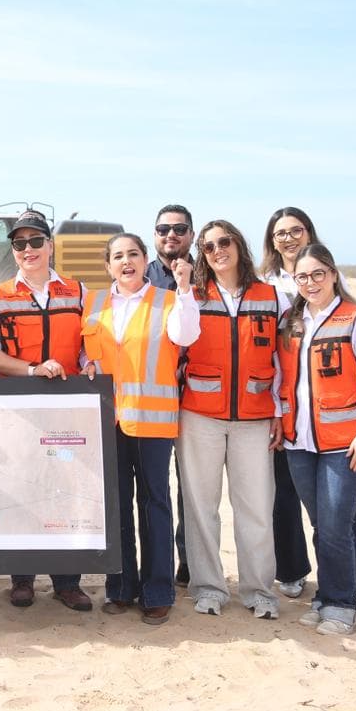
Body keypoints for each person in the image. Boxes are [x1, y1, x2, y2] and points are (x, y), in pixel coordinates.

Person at [260, 207, 356, 614]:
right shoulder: (268, 287)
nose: (288, 238)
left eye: (296, 230)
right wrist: (278, 413)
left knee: (337, 518)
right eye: (280, 233)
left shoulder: (349, 308)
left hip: (339, 430)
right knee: (300, 508)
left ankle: (355, 588)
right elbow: (281, 365)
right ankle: (299, 575)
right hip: (294, 426)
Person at [0, 209, 93, 613]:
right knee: (23, 489)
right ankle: (22, 578)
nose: (28, 249)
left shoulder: (78, 292)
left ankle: (67, 581)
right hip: (17, 414)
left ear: (50, 245)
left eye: (36, 241)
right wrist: (31, 370)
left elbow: (87, 347)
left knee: (64, 489)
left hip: (66, 415)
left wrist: (89, 363)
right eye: (19, 243)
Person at [81, 233, 199, 626]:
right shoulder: (93, 303)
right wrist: (86, 363)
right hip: (108, 421)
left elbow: (186, 336)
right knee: (116, 506)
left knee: (154, 506)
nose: (126, 261)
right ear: (108, 266)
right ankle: (120, 588)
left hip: (152, 421)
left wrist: (185, 289)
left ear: (145, 259)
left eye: (133, 254)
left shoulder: (168, 300)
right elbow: (87, 352)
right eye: (118, 256)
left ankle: (157, 592)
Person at [179, 220, 287, 619]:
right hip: (199, 417)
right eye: (208, 246)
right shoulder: (192, 296)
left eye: (224, 242)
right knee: (201, 508)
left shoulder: (272, 297)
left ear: (239, 245)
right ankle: (209, 588)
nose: (217, 250)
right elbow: (180, 340)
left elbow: (283, 359)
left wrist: (279, 410)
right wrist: (183, 292)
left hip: (255, 419)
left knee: (256, 508)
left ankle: (259, 591)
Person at [143, 203, 196, 587]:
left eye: (179, 229)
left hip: (198, 398)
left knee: (192, 488)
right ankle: (154, 568)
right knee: (155, 490)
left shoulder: (207, 275)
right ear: (155, 235)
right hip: (153, 400)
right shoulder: (140, 278)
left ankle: (191, 563)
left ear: (191, 234)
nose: (171, 235)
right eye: (163, 229)